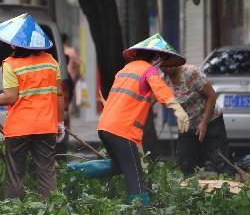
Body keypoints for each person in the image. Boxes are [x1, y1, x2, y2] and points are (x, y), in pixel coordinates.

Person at [68, 34, 190, 206]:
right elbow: (161, 89)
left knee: (119, 166)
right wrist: (178, 110)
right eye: (161, 59)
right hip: (122, 132)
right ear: (155, 57)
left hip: (105, 128)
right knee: (137, 180)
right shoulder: (149, 70)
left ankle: (71, 172)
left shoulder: (124, 71)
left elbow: (136, 98)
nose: (161, 64)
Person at [0, 13, 64, 199]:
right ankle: (51, 213)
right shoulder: (51, 62)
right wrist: (60, 122)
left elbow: (10, 97)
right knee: (46, 173)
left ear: (15, 43)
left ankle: (12, 214)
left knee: (15, 175)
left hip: (20, 128)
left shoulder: (11, 64)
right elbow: (59, 94)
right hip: (46, 126)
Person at [160, 63, 233, 175]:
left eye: (169, 64)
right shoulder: (162, 80)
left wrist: (204, 123)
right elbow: (151, 98)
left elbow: (211, 95)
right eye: (163, 66)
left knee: (221, 161)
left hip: (211, 120)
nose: (167, 69)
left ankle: (230, 185)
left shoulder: (192, 73)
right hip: (187, 125)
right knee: (185, 163)